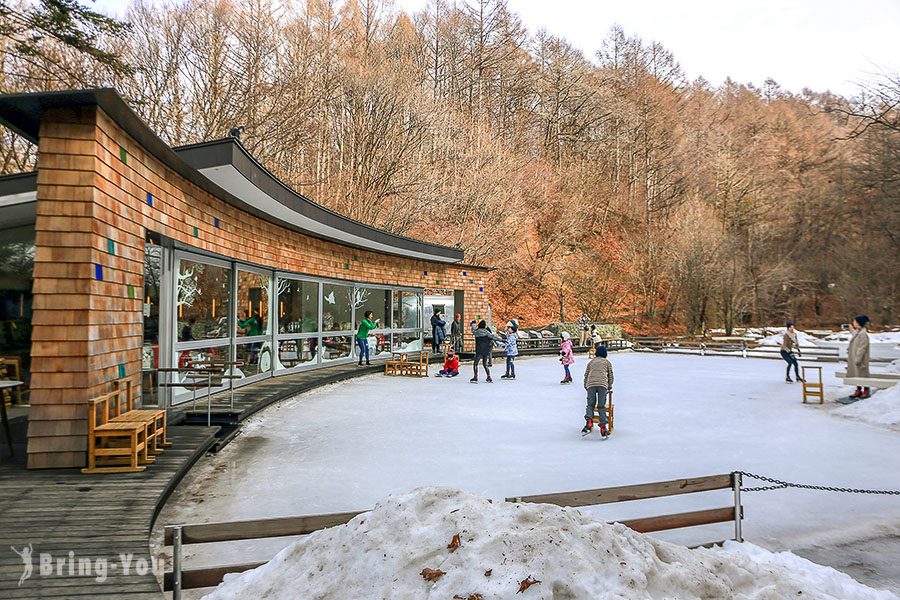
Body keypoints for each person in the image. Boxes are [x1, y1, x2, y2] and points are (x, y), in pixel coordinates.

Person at [582, 346, 614, 438]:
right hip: (602, 385)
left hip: (591, 384)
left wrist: (586, 386)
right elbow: (610, 375)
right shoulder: (607, 362)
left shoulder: (591, 362)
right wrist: (609, 385)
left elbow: (586, 374)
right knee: (601, 406)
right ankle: (603, 428)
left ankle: (589, 423)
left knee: (590, 405)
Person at [847, 315, 871, 399]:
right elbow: (854, 334)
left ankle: (866, 390)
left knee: (862, 375)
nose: (853, 322)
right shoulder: (858, 332)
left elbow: (862, 348)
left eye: (854, 321)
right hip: (855, 357)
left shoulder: (863, 334)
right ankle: (858, 390)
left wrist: (858, 359)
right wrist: (851, 329)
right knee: (857, 374)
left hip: (860, 359)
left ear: (858, 323)